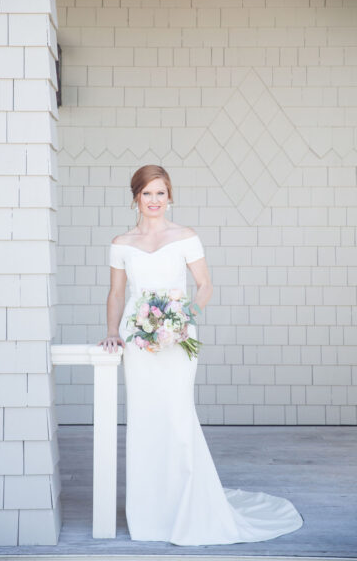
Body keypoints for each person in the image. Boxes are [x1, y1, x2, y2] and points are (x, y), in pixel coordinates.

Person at [98, 164, 304, 546]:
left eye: (161, 192)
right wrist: (112, 333)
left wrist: (182, 321)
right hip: (137, 341)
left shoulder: (185, 236)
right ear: (135, 198)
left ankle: (187, 504)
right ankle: (149, 513)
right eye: (147, 193)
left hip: (179, 340)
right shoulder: (121, 243)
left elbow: (204, 285)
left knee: (176, 417)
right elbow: (116, 293)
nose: (155, 200)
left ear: (170, 195)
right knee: (144, 420)